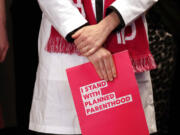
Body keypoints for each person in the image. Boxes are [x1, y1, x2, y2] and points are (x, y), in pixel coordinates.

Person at [29, 0, 158, 135]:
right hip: (65, 54)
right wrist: (85, 39)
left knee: (123, 127)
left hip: (124, 35)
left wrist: (108, 24)